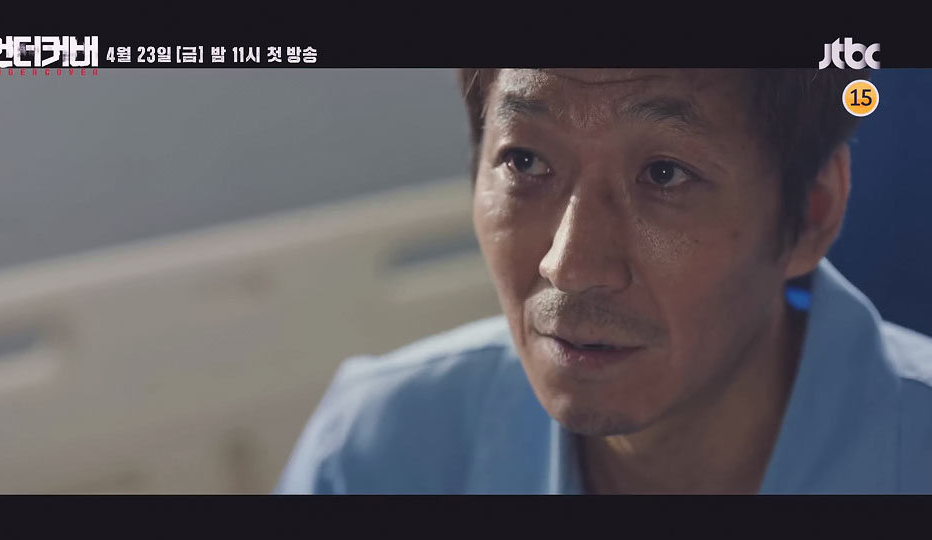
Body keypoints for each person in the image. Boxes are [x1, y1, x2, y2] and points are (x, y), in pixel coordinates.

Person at [274, 69, 932, 494]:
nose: (570, 265)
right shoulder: (375, 452)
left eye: (665, 174)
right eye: (525, 160)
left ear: (811, 213)